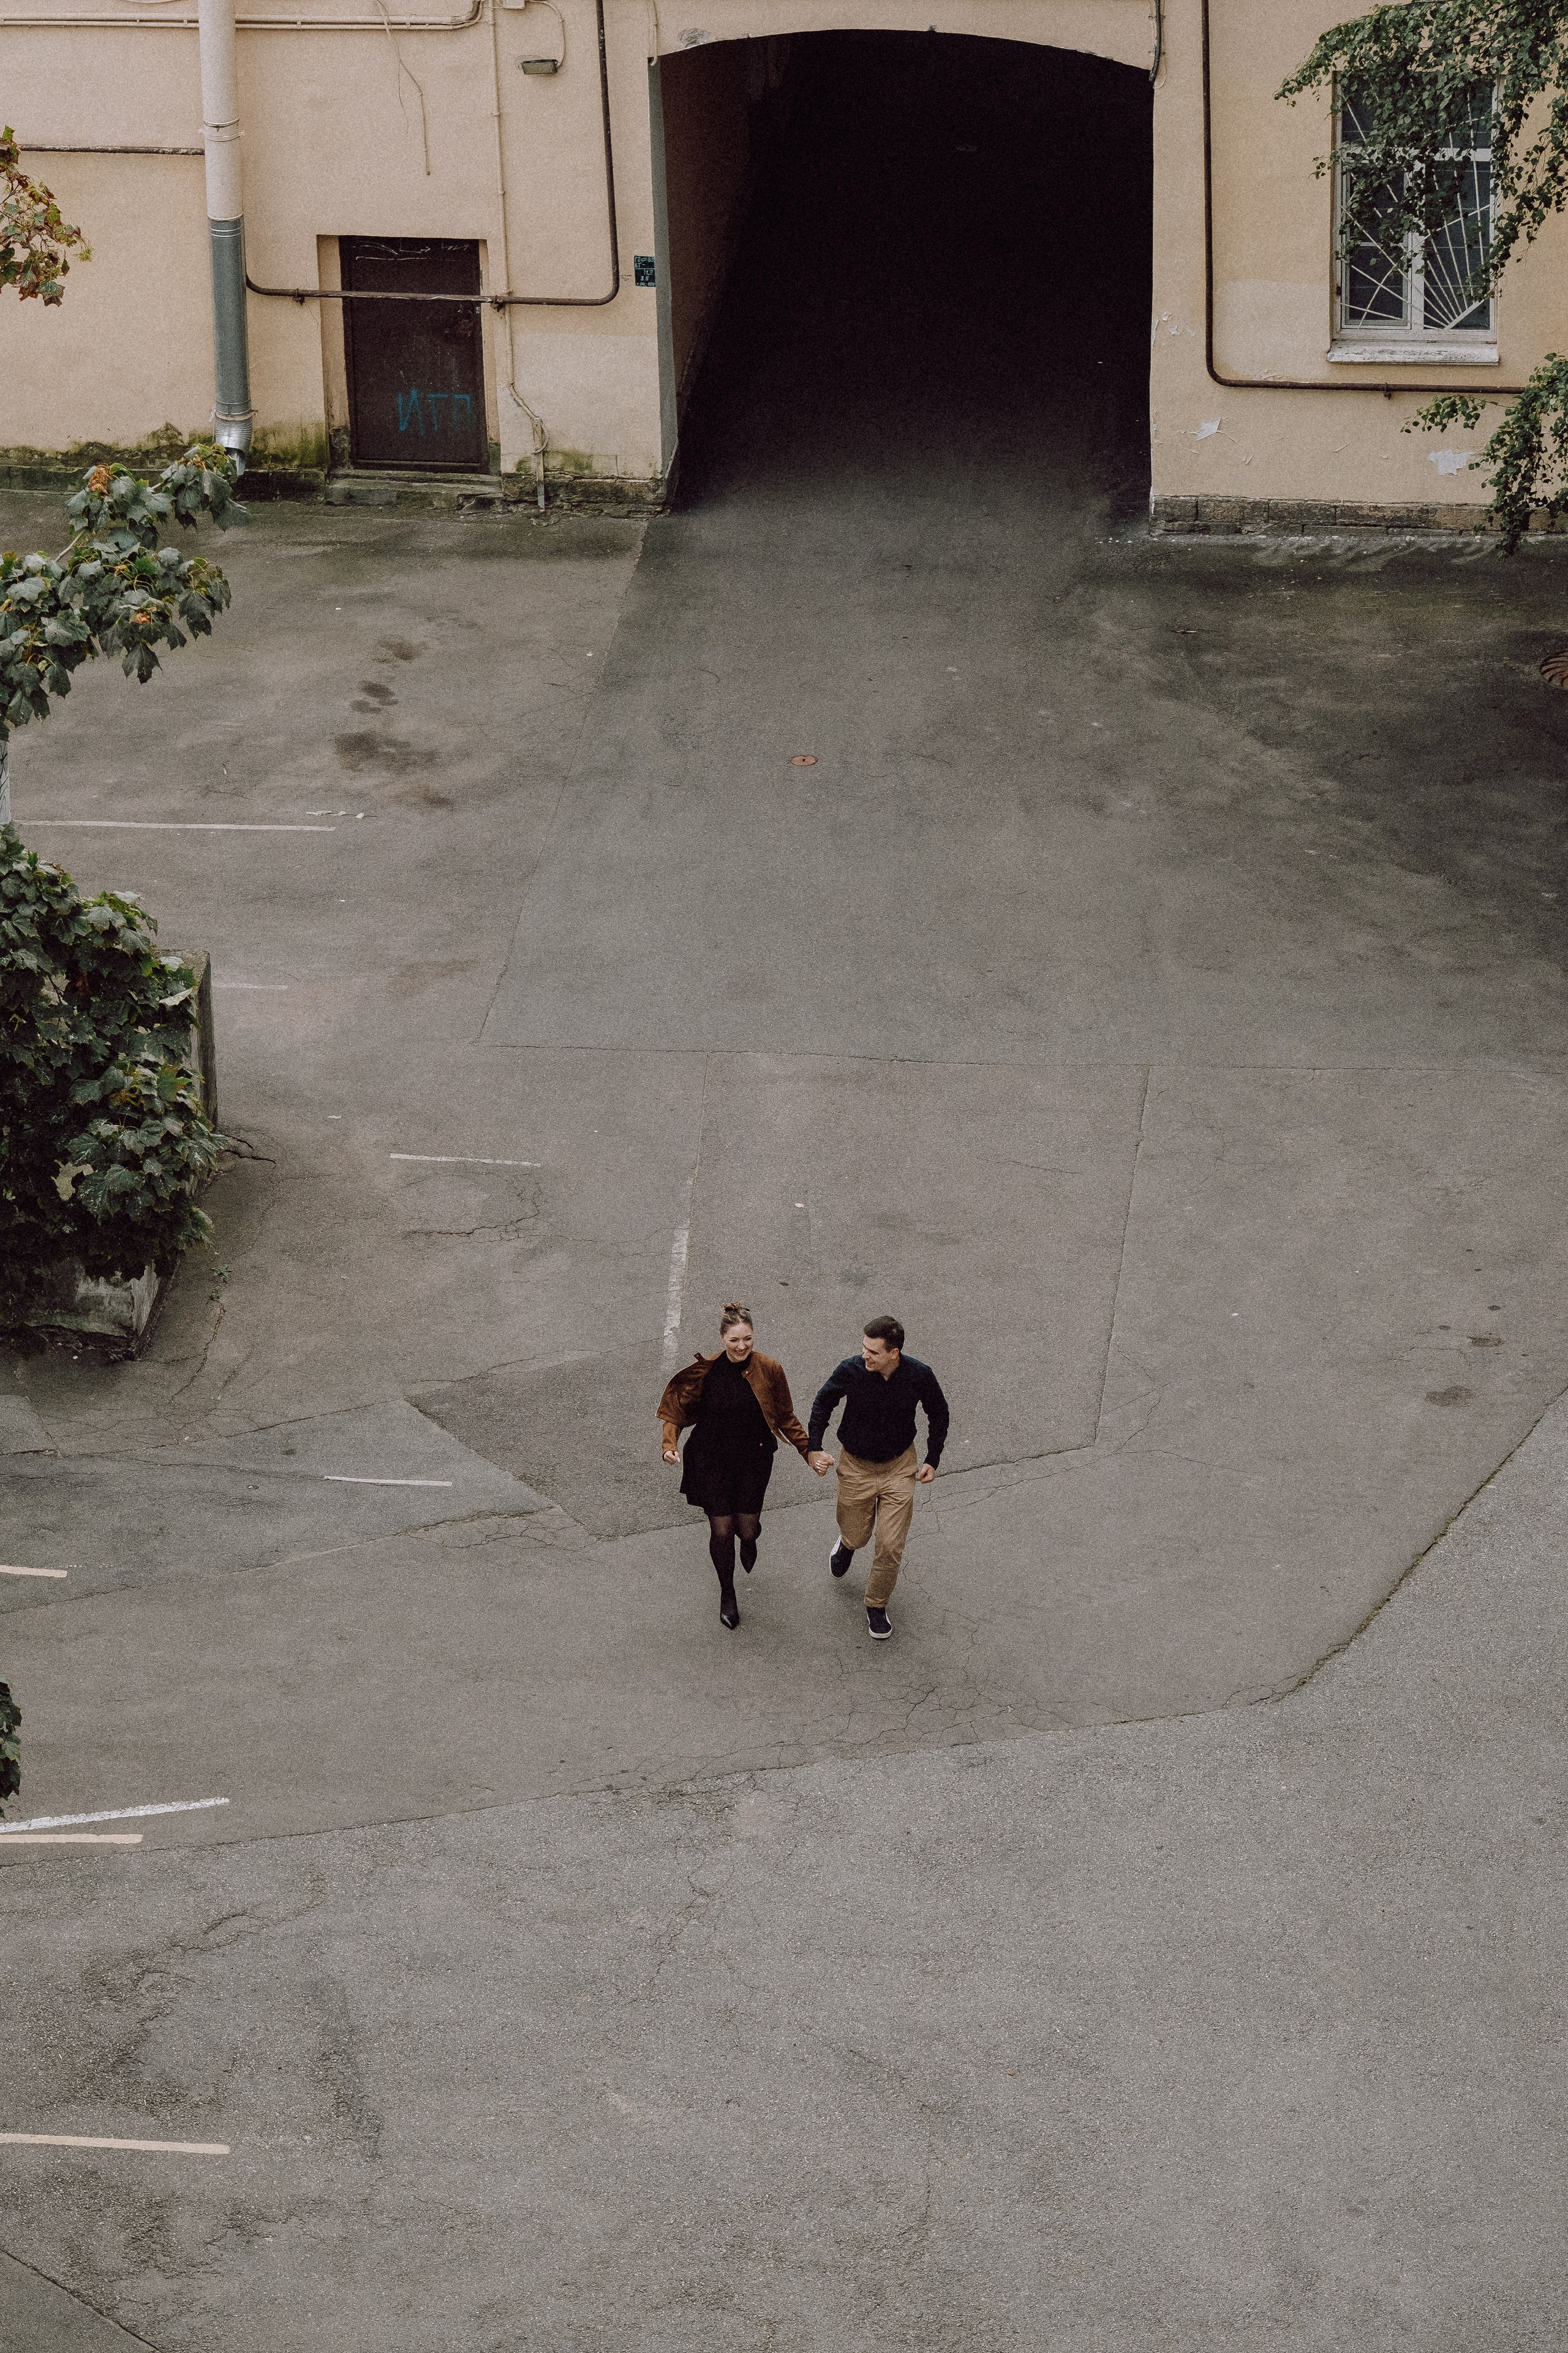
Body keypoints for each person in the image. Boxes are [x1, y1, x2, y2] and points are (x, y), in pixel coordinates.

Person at [658, 1302, 817, 1630]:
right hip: (710, 1460)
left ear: (754, 1336)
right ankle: (727, 1593)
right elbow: (676, 1410)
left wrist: (809, 1451)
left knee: (746, 1527)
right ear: (722, 1339)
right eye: (734, 1341)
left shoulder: (770, 1369)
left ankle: (750, 1539)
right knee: (721, 1529)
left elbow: (786, 1416)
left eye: (747, 1339)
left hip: (753, 1461)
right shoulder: (705, 1372)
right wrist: (669, 1446)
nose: (742, 1346)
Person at [807, 1314, 949, 1641]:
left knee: (890, 1544)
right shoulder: (851, 1370)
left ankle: (877, 1605)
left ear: (894, 1353)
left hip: (900, 1466)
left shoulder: (919, 1375)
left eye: (873, 1351)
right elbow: (823, 1402)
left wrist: (932, 1459)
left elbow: (939, 1413)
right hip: (856, 1467)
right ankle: (847, 1545)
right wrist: (815, 1447)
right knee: (858, 1534)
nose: (865, 1356)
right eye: (863, 1348)